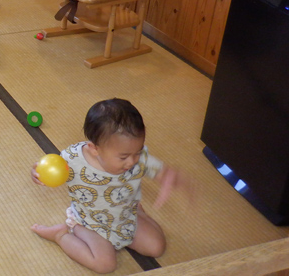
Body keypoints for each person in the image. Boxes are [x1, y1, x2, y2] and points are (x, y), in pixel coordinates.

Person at [30, 98, 189, 274]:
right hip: (90, 223)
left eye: (137, 152)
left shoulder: (138, 157)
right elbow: (49, 172)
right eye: (123, 157)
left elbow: (160, 171)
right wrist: (38, 174)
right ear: (94, 149)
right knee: (105, 265)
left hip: (125, 216)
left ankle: (139, 212)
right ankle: (61, 235)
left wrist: (171, 178)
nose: (132, 161)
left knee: (156, 247)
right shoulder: (72, 160)